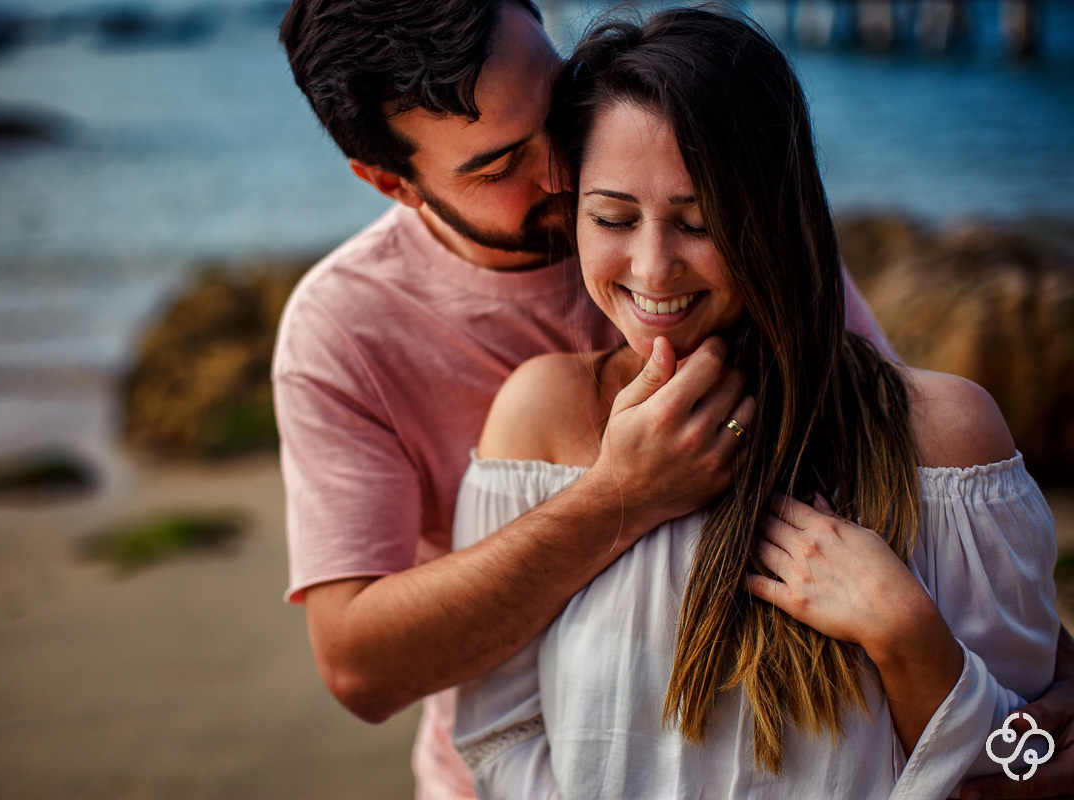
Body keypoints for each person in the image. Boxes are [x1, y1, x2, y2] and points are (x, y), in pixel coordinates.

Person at [274, 2, 1074, 798]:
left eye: (556, 106)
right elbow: (368, 672)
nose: (562, 164)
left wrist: (981, 672)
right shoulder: (365, 339)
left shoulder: (722, 223)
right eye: (498, 166)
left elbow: (1010, 742)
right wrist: (622, 495)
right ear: (391, 183)